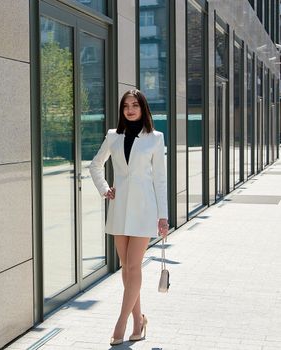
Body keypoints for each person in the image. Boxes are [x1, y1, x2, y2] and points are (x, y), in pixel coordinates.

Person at [89, 89, 168, 346]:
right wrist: (104, 189)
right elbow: (95, 165)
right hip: (119, 208)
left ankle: (121, 323)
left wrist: (163, 216)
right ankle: (139, 320)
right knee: (127, 268)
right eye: (126, 106)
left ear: (143, 108)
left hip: (145, 210)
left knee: (133, 266)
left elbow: (160, 179)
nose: (130, 109)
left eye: (135, 105)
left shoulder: (155, 138)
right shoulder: (114, 136)